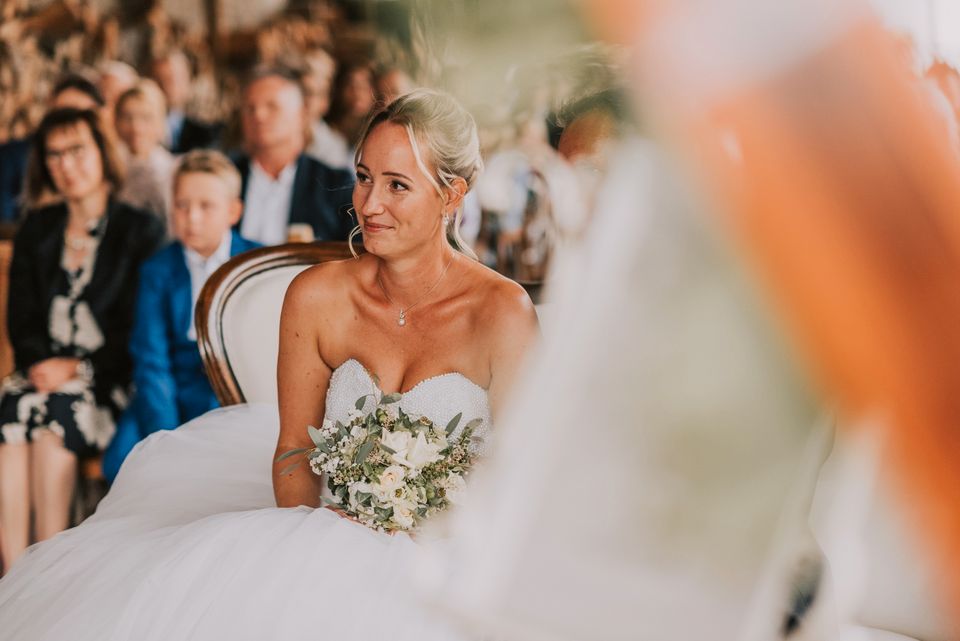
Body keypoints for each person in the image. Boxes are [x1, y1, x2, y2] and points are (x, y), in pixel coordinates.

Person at [0, 89, 538, 640]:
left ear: (452, 195)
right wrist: (313, 546)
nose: (369, 203)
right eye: (363, 176)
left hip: (448, 558)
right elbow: (293, 453)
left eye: (398, 185)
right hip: (324, 531)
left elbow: (522, 478)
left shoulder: (502, 312)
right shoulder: (314, 296)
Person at [0, 107, 165, 567]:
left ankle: (47, 565)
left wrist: (77, 368)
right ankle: (14, 575)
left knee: (54, 413)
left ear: (102, 152)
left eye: (76, 150)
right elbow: (23, 322)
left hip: (108, 379)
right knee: (13, 409)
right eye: (53, 156)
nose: (64, 165)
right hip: (39, 375)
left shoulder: (139, 230)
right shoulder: (39, 228)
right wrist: (39, 367)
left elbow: (135, 330)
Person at [102, 150, 261, 481]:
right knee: (124, 461)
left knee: (224, 466)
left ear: (234, 210)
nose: (192, 218)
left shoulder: (256, 263)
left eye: (206, 206)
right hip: (169, 385)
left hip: (232, 391)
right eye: (182, 205)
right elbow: (150, 358)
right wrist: (167, 433)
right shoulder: (157, 269)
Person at [234, 66, 354, 245]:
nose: (258, 115)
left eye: (271, 106)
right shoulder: (225, 178)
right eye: (250, 108)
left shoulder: (335, 186)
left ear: (302, 114)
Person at [113, 79, 177, 230]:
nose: (136, 127)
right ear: (116, 121)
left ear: (160, 122)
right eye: (128, 117)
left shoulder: (171, 171)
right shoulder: (109, 166)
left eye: (145, 117)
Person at [150, 49, 222, 153]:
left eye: (172, 80)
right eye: (159, 79)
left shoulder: (206, 134)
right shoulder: (137, 129)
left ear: (188, 82)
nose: (166, 87)